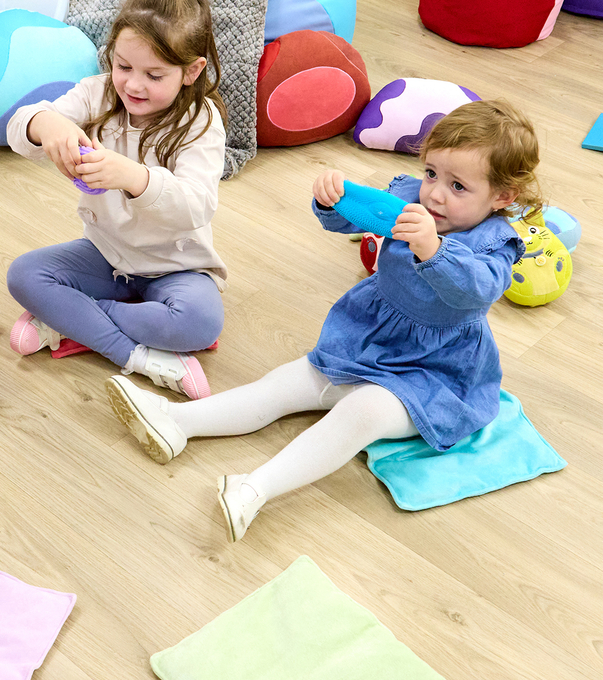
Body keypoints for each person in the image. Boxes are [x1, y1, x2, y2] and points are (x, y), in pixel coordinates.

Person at [107, 98, 540, 541]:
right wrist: (331, 200)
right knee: (284, 384)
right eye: (431, 173)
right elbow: (353, 220)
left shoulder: (495, 242)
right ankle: (178, 421)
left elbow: (477, 288)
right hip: (367, 338)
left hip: (433, 370)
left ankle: (254, 489)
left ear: (502, 196)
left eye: (458, 186)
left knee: (362, 413)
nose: (436, 194)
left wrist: (434, 248)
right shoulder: (410, 199)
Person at [5, 0, 228, 399]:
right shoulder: (98, 93)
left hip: (176, 265)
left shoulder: (200, 122)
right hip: (107, 255)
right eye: (123, 66)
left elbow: (196, 207)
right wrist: (44, 124)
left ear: (191, 71)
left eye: (154, 74)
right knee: (24, 275)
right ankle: (135, 354)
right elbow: (18, 129)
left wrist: (134, 178)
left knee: (200, 323)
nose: (133, 85)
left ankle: (73, 321)